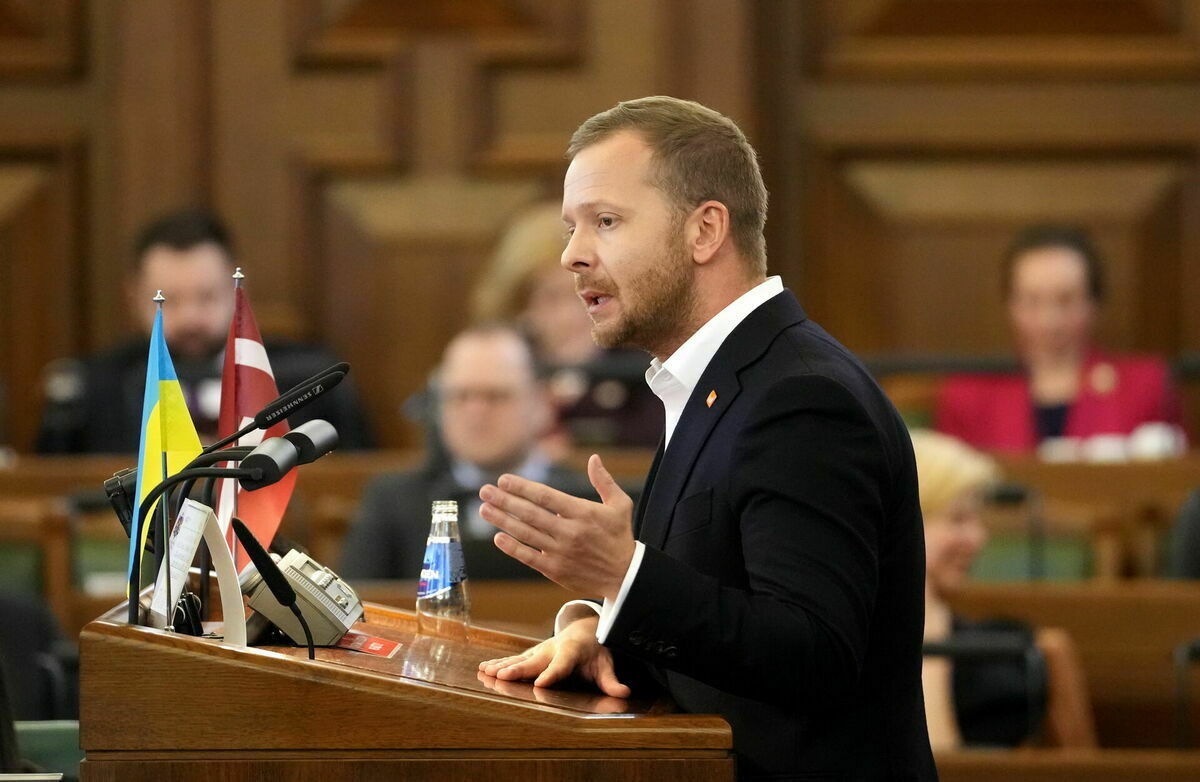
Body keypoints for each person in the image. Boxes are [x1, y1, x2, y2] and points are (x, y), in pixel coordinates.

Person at [474, 97, 935, 780]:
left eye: (605, 221)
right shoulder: (717, 379)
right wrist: (602, 634)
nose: (572, 254)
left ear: (705, 231)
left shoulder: (801, 397)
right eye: (573, 227)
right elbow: (724, 628)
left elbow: (815, 655)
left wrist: (621, 576)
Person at [35, 208, 373, 453]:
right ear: (132, 297)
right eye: (166, 300)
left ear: (238, 289)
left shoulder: (311, 380)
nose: (191, 318)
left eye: (207, 296)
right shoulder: (94, 386)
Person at [341, 324, 594, 580]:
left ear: (540, 403)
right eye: (460, 396)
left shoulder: (580, 502)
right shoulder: (392, 500)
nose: (475, 412)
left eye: (496, 396)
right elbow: (356, 608)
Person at [935, 224, 1185, 457]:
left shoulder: (1145, 387)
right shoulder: (967, 395)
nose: (1050, 321)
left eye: (1066, 300)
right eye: (1032, 301)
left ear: (1093, 302)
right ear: (1011, 305)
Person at [471, 201, 662, 449]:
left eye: (584, 293)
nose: (570, 316)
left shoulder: (646, 364)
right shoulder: (494, 369)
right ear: (521, 307)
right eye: (551, 298)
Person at [911, 430, 1046, 750]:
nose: (977, 538)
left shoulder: (1001, 664)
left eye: (976, 520)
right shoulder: (837, 645)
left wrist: (927, 624)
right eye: (958, 519)